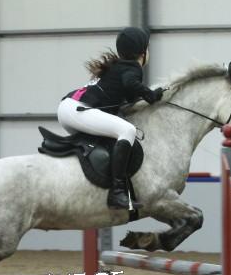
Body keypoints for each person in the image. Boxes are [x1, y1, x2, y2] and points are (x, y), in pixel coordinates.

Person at [57, 27, 165, 210]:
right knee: (127, 130)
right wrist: (151, 95)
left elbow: (129, 94)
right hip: (78, 110)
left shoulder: (119, 66)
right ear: (142, 52)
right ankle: (117, 193)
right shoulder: (133, 68)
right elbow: (131, 83)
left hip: (68, 108)